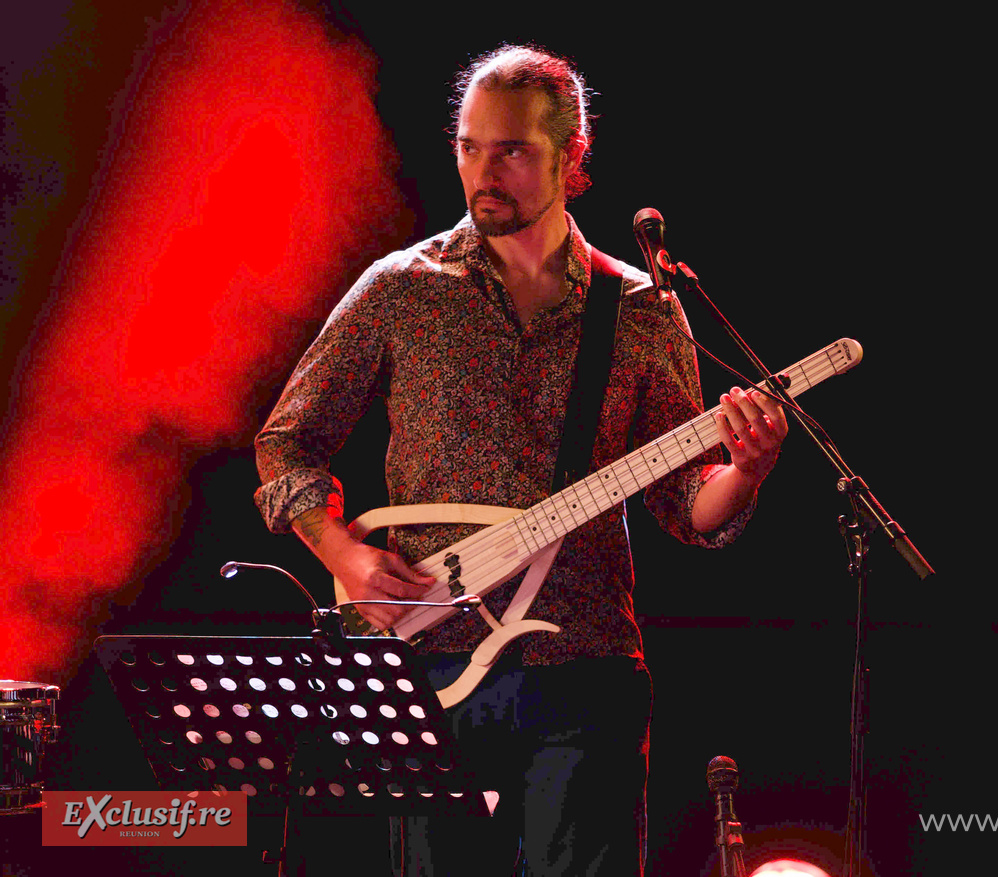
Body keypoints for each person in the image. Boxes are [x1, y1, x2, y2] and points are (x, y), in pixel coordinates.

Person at [254, 44, 787, 876]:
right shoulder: (402, 287)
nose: (482, 170)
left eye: (512, 150)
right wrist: (345, 553)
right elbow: (289, 440)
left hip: (584, 667)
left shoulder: (641, 311)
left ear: (574, 156)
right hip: (431, 665)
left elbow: (685, 501)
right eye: (469, 145)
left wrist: (744, 470)